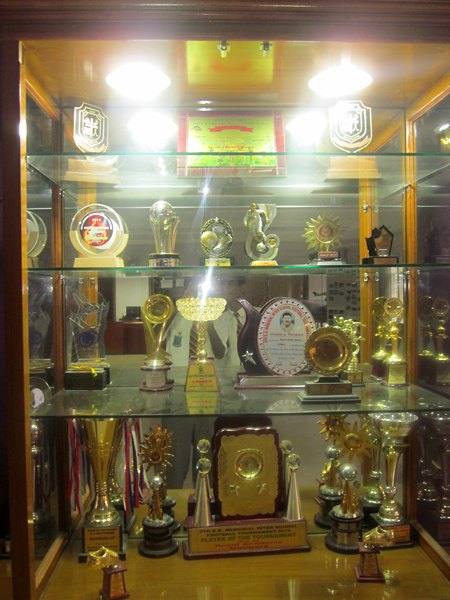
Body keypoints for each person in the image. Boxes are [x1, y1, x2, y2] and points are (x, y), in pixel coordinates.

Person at [162, 277, 246, 488]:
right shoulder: (176, 315)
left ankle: (203, 500)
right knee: (175, 457)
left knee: (205, 454)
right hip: (177, 392)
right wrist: (176, 308)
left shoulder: (222, 316)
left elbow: (220, 352)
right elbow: (158, 339)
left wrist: (207, 323)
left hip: (208, 393)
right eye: (192, 289)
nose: (197, 293)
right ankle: (172, 499)